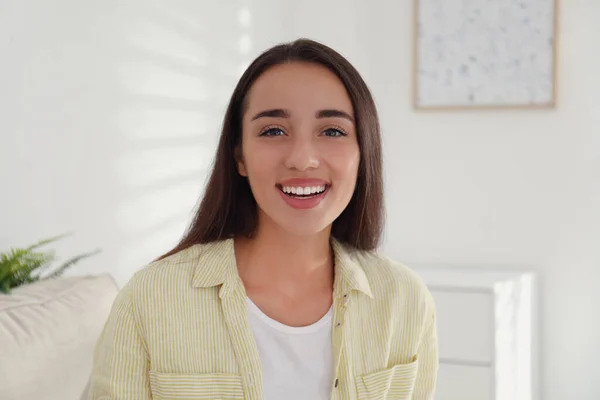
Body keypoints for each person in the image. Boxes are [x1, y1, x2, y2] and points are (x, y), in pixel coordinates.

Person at [89, 39, 438, 400]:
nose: (302, 159)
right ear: (239, 155)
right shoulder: (149, 299)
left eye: (332, 131)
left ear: (363, 152)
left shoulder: (405, 300)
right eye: (273, 131)